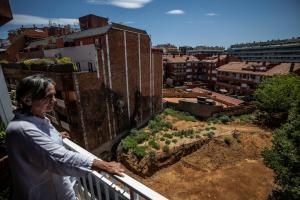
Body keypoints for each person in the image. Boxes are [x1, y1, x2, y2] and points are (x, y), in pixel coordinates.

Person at [6, 74, 125, 200]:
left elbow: (39, 143)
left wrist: (57, 136)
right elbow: (59, 157)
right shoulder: (23, 130)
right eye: (49, 96)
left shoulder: (35, 119)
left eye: (54, 95)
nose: (55, 100)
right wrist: (103, 165)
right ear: (28, 99)